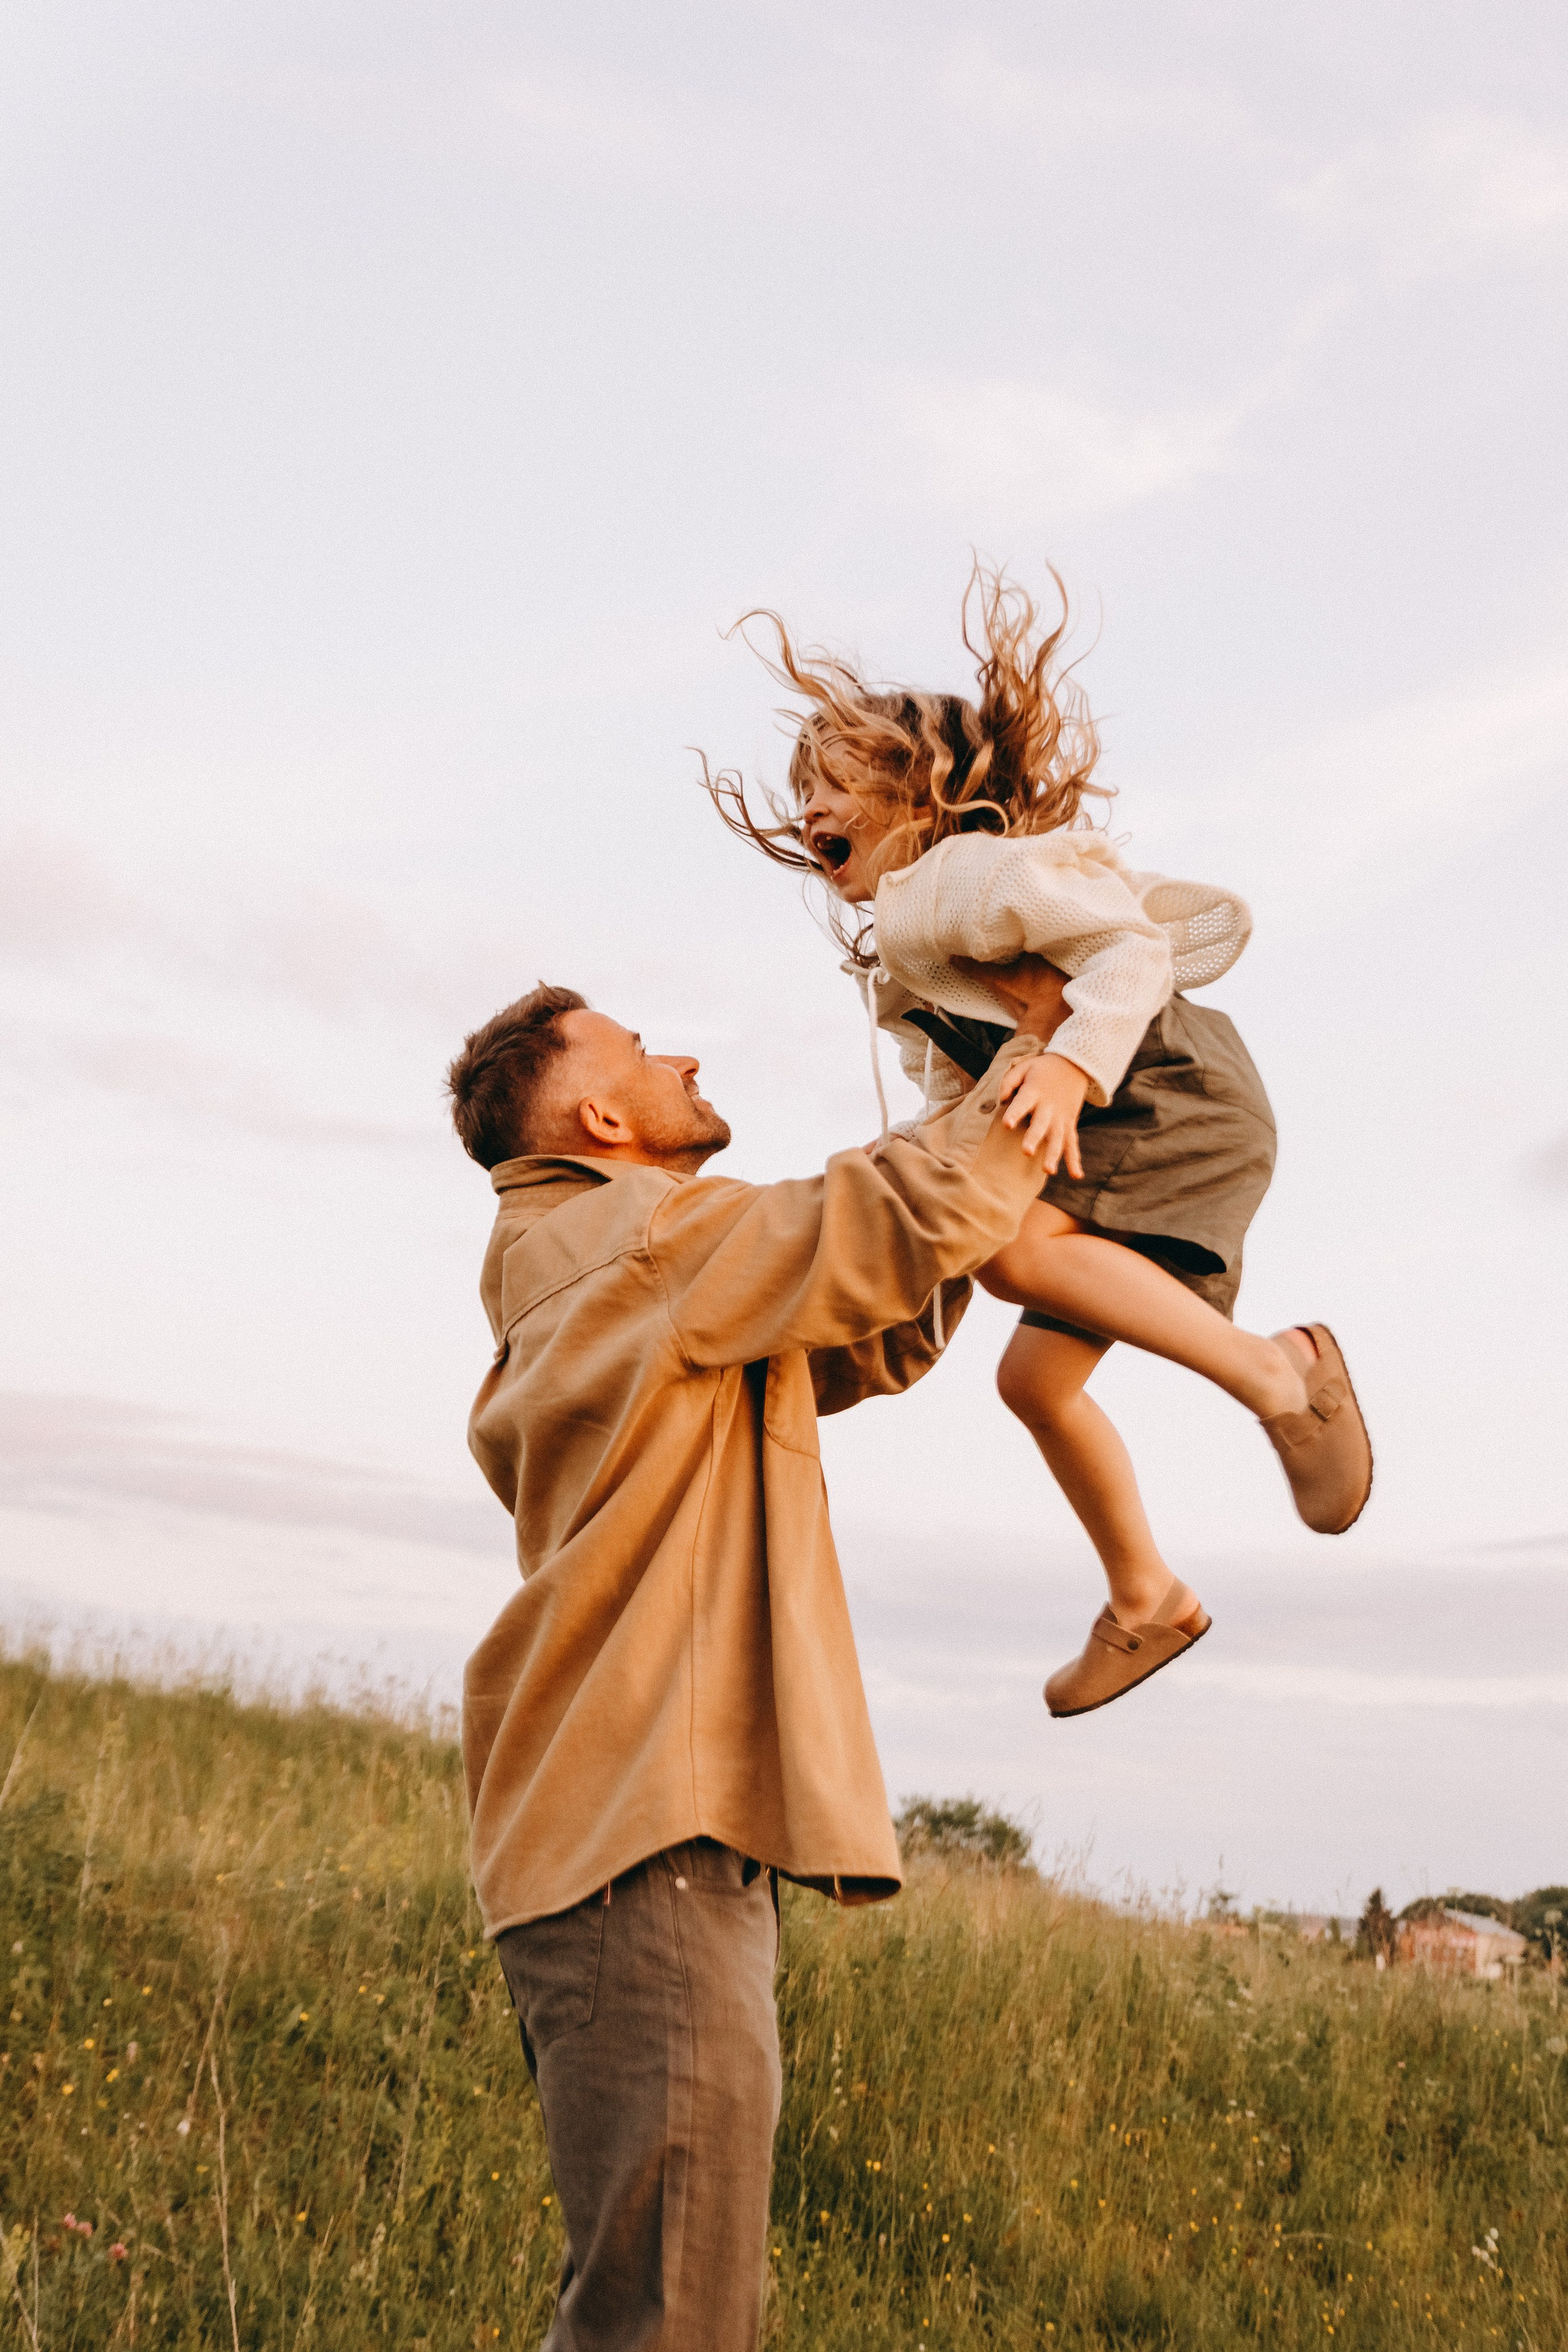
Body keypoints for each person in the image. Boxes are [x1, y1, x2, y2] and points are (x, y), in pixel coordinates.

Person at [444, 967, 1063, 2352]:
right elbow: (889, 1221)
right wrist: (1051, 1049)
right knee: (674, 2322)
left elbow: (876, 1320)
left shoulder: (616, 1266)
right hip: (640, 1842)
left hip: (632, 1840)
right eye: (638, 1048)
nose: (679, 1057)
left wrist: (966, 1100)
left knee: (653, 2311)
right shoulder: (635, 1243)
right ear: (600, 1117)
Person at [703, 562, 1373, 1719]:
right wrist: (916, 1216)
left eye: (836, 785)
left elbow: (1129, 951)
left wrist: (1069, 1064)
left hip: (1161, 1090)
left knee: (1016, 1254)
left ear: (924, 794)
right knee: (1033, 1381)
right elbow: (946, 1103)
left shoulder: (970, 875)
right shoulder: (903, 950)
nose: (810, 811)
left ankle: (1280, 1373)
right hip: (1106, 1106)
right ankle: (1147, 1595)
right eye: (803, 790)